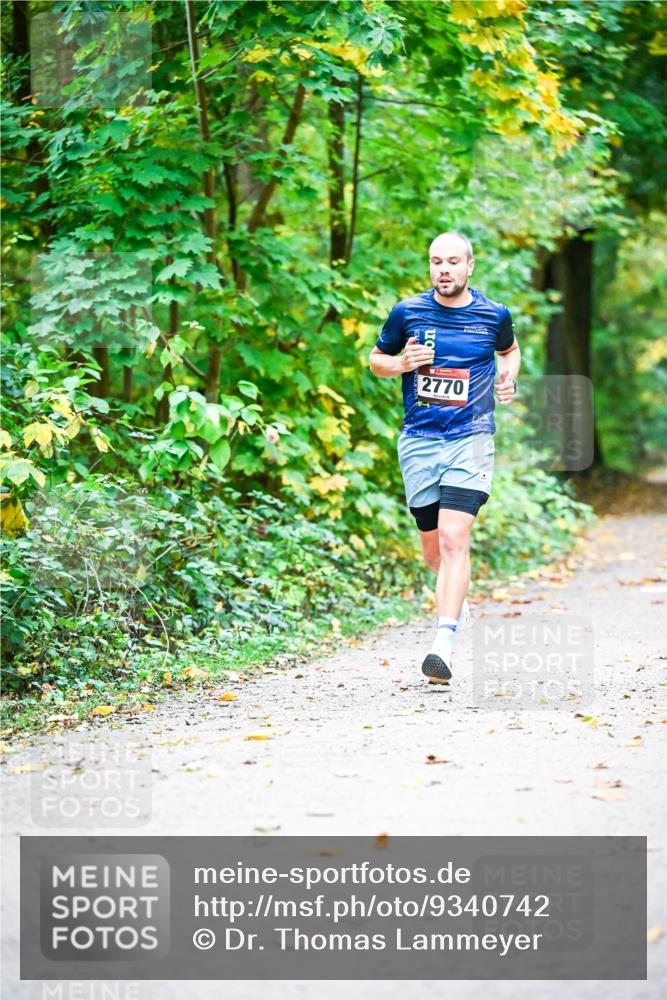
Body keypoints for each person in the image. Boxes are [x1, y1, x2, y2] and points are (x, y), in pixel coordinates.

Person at [369, 231, 520, 684]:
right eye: (437, 262)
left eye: (453, 261)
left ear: (469, 266)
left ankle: (443, 644)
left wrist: (508, 379)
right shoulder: (407, 312)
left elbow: (509, 352)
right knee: (434, 551)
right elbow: (376, 359)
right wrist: (402, 363)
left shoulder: (493, 315)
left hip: (471, 437)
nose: (444, 269)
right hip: (420, 439)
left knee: (455, 537)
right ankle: (456, 598)